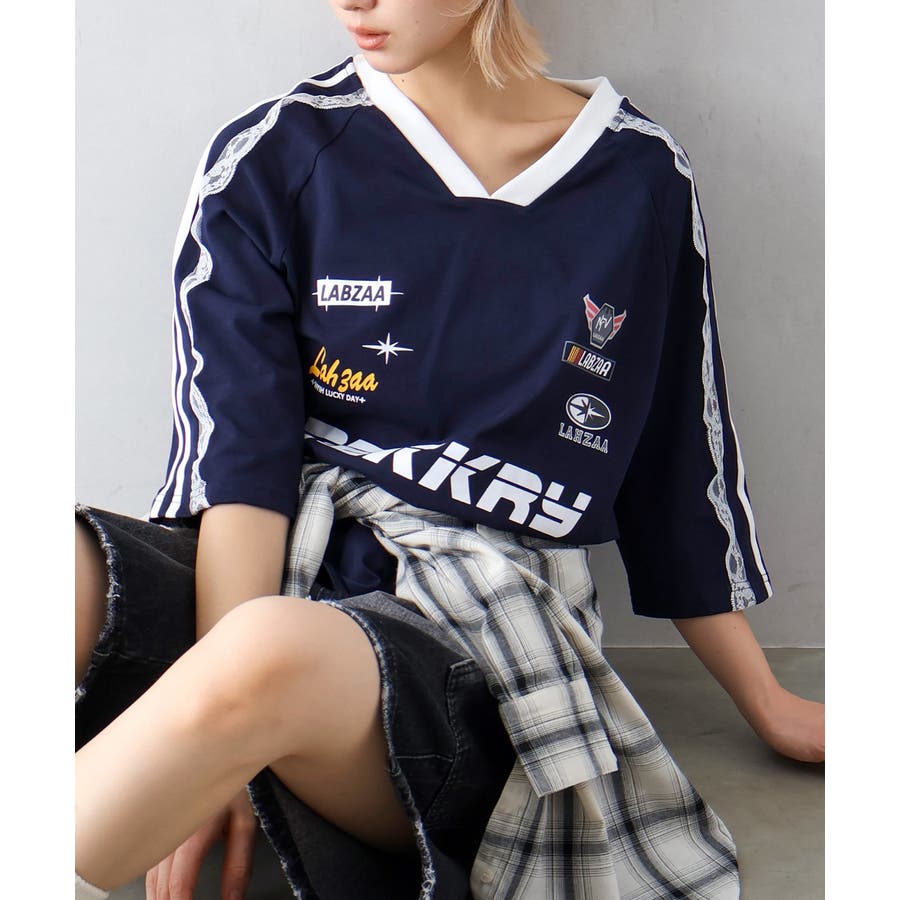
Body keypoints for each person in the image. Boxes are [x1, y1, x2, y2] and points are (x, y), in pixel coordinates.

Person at [74, 1, 825, 898]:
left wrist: (766, 701)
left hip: (467, 643)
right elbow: (243, 462)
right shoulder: (274, 152)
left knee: (267, 648)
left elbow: (675, 463)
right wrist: (213, 742)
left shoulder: (637, 175)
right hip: (269, 569)